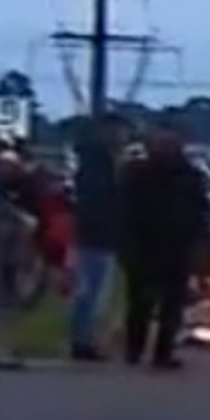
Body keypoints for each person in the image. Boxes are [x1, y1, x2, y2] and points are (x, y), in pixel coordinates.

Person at [118, 128, 210, 369]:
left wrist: (196, 236)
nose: (164, 149)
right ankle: (135, 349)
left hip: (175, 247)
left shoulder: (189, 176)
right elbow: (125, 211)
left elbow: (201, 210)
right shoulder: (137, 174)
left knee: (170, 304)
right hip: (145, 245)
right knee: (141, 302)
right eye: (160, 144)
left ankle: (159, 352)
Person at [69, 114, 126, 361]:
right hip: (96, 236)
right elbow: (97, 202)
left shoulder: (96, 163)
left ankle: (85, 339)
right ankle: (84, 341)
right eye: (119, 132)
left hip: (97, 234)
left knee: (90, 291)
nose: (123, 138)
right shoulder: (99, 165)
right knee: (91, 291)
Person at [0, 147, 37, 370]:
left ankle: (4, 349)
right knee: (3, 302)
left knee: (6, 302)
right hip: (3, 250)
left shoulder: (13, 191)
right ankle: (2, 350)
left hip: (8, 252)